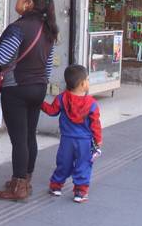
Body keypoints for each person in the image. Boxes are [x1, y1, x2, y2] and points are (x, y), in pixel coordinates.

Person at [0, 0, 58, 202]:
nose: (17, 1)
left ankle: (18, 186)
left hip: (16, 88)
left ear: (28, 2)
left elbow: (2, 58)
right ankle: (25, 180)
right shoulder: (48, 28)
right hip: (38, 88)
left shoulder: (18, 27)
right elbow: (47, 66)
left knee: (19, 139)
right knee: (29, 135)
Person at [41, 64, 102, 203]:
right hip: (84, 142)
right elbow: (95, 124)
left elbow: (51, 111)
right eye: (87, 79)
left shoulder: (62, 98)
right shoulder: (92, 103)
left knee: (64, 163)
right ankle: (80, 191)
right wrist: (98, 140)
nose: (88, 82)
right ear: (82, 84)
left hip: (66, 140)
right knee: (83, 165)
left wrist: (40, 103)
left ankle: (56, 186)